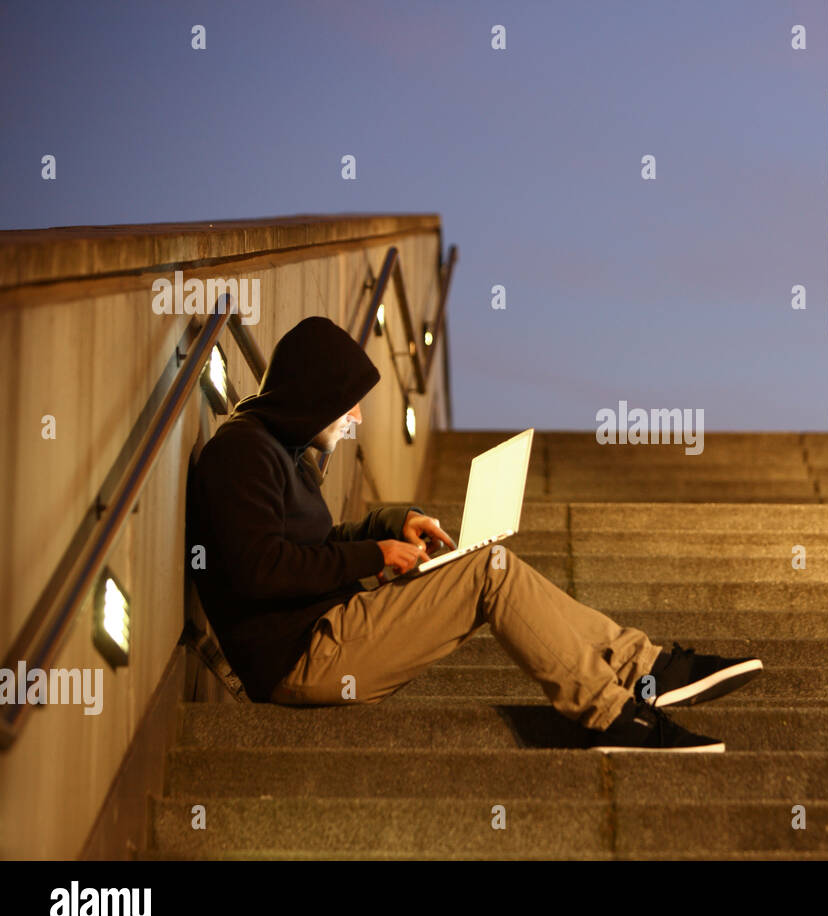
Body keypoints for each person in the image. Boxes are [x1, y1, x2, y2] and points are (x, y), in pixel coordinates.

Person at [186, 315, 762, 752]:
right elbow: (258, 569)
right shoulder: (239, 453)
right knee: (491, 569)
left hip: (329, 633)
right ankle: (614, 713)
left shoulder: (277, 453)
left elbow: (308, 546)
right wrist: (374, 553)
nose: (357, 417)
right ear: (310, 395)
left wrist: (390, 524)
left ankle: (644, 667)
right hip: (306, 656)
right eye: (347, 403)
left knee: (491, 559)